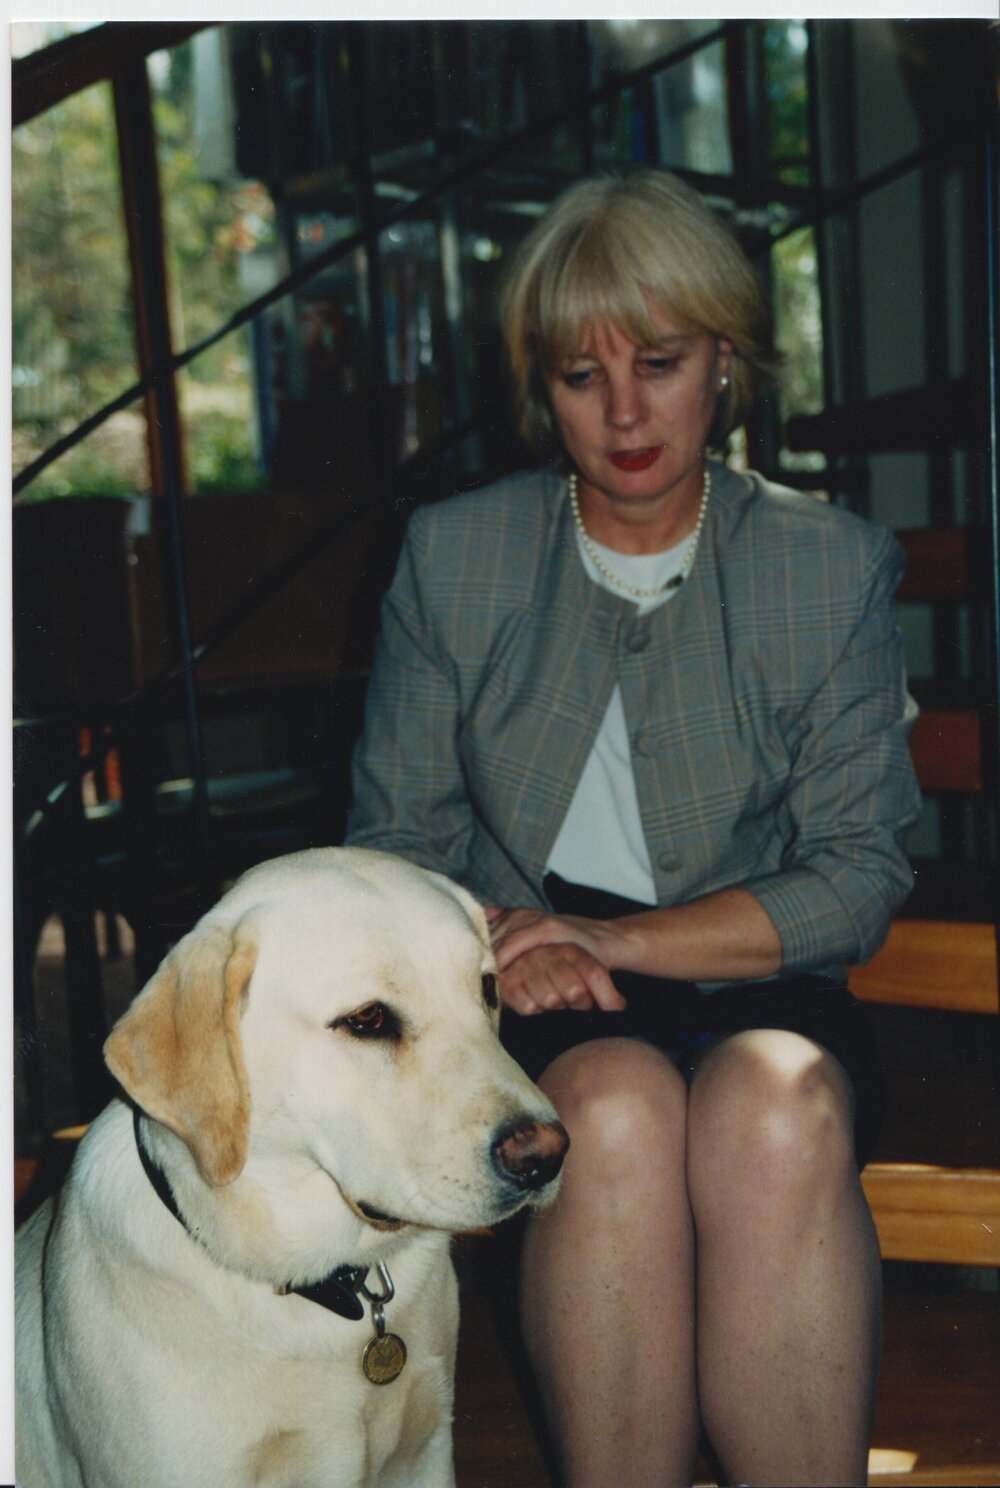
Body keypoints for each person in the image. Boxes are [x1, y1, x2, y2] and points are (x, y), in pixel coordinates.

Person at [345, 169, 920, 1488]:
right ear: (539, 389)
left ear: (728, 356)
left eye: (658, 362)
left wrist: (610, 935)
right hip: (529, 989)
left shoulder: (826, 566)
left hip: (758, 976)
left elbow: (855, 871)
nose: (622, 414)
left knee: (772, 1116)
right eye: (577, 375)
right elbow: (393, 831)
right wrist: (499, 937)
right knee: (605, 1109)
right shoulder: (454, 556)